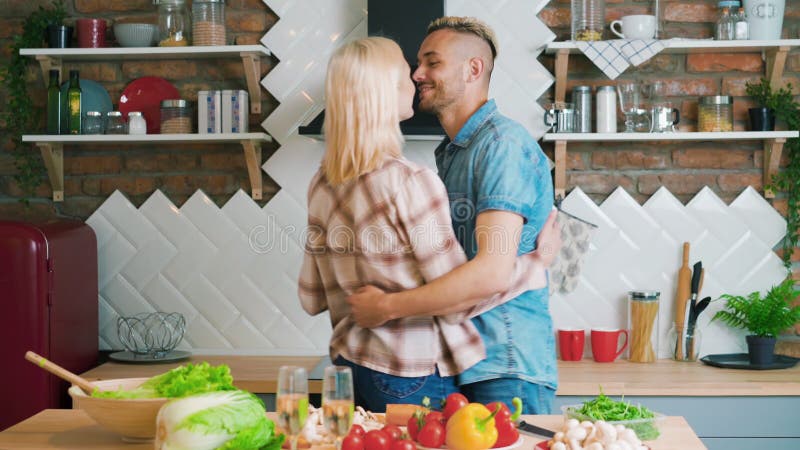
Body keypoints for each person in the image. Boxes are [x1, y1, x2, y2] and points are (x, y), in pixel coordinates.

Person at [298, 36, 559, 412]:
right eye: (408, 70)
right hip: (410, 369)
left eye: (428, 63)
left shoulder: (322, 181)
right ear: (384, 91)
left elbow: (311, 297)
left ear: (474, 69)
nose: (417, 77)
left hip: (355, 366)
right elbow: (457, 302)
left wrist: (375, 297)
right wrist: (538, 261)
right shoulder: (413, 178)